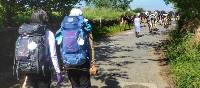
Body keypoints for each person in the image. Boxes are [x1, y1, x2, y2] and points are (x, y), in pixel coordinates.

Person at [18, 9, 62, 88]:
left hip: (29, 68)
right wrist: (58, 71)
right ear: (44, 19)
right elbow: (53, 55)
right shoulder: (48, 33)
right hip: (44, 71)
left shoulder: (26, 32)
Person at [55, 8, 96, 88]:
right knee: (85, 85)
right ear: (80, 16)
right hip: (83, 62)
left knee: (75, 85)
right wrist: (93, 64)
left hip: (68, 63)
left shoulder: (63, 28)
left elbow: (59, 45)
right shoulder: (85, 27)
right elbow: (91, 47)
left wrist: (61, 63)